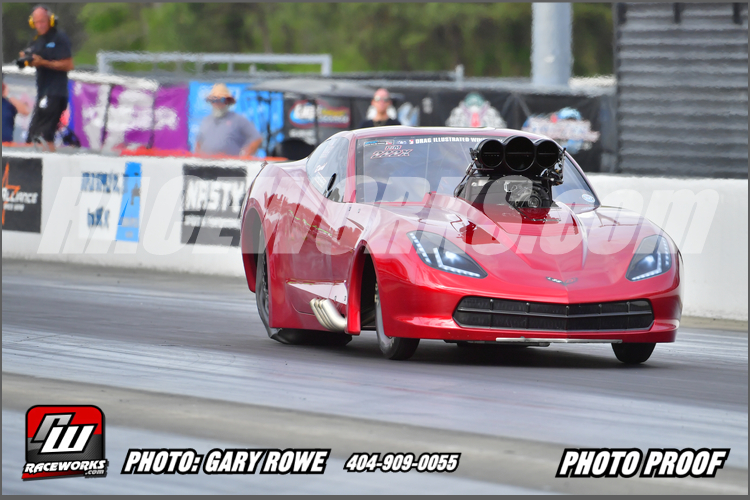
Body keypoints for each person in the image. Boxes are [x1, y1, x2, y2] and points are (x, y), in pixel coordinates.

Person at [21, 5, 74, 151]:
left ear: (50, 20)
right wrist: (27, 60)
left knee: (42, 137)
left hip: (55, 93)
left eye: (43, 21)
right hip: (43, 93)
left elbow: (69, 64)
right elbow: (30, 58)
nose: (40, 25)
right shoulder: (37, 40)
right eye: (37, 22)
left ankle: (47, 162)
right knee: (34, 138)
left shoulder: (59, 37)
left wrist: (43, 62)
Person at [195, 83, 263, 157]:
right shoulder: (206, 120)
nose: (218, 103)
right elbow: (198, 143)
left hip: (230, 163)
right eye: (214, 100)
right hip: (206, 162)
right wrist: (198, 158)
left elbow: (257, 138)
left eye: (222, 100)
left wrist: (245, 157)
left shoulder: (238, 120)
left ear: (228, 101)